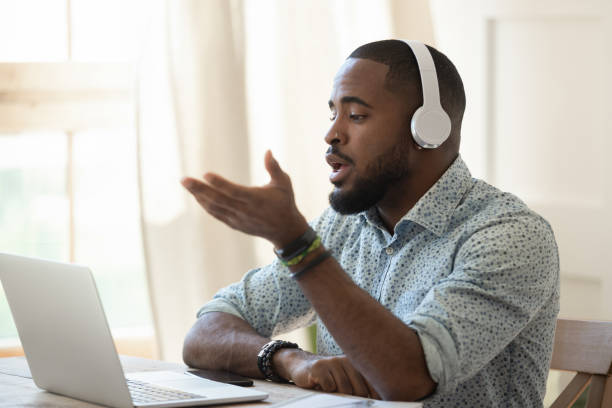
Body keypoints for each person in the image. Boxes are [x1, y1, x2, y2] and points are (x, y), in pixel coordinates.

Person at [180, 39, 559, 407]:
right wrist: (288, 359)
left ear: (427, 129)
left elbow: (408, 379)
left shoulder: (511, 235)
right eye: (333, 114)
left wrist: (297, 245)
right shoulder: (344, 226)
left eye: (356, 115)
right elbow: (207, 331)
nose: (331, 134)